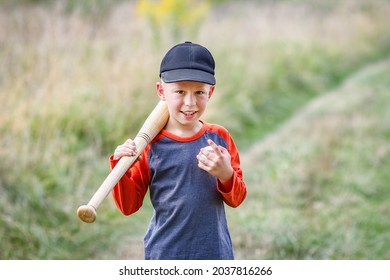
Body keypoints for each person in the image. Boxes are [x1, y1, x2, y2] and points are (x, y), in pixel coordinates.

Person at [110, 41, 247, 260]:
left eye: (199, 92)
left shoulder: (219, 138)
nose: (190, 102)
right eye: (180, 91)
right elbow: (129, 206)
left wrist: (225, 174)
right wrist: (121, 166)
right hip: (165, 255)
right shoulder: (150, 145)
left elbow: (237, 199)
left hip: (214, 254)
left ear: (211, 92)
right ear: (161, 90)